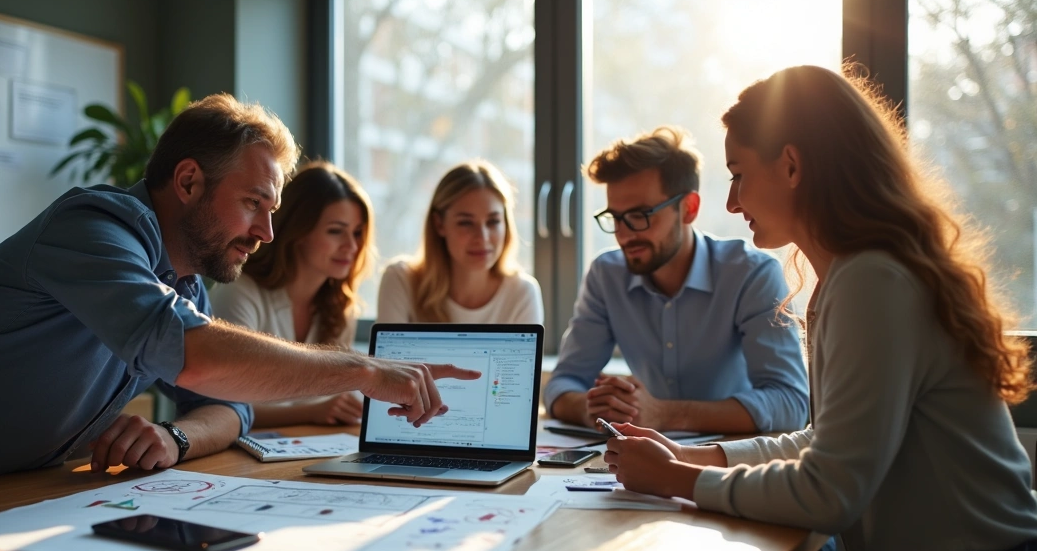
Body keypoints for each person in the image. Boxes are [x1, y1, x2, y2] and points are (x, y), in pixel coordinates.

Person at [0, 93, 478, 504]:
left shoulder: (180, 280)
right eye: (253, 204)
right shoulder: (93, 229)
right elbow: (193, 358)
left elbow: (229, 406)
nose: (267, 232)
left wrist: (172, 434)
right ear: (188, 182)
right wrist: (364, 369)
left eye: (272, 210)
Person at [603, 65, 1037, 551]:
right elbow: (826, 440)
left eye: (738, 174)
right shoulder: (851, 276)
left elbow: (830, 492)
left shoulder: (873, 281)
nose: (732, 203)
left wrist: (674, 479)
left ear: (791, 164)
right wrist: (690, 454)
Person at [545, 126, 808, 434]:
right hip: (639, 459)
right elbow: (562, 383)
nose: (625, 234)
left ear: (689, 208)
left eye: (641, 215)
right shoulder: (606, 275)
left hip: (729, 464)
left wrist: (663, 414)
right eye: (615, 218)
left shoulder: (751, 274)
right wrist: (598, 408)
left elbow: (791, 403)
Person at [211, 161, 373, 428]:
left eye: (357, 233)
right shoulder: (241, 292)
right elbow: (220, 404)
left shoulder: (340, 309)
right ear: (298, 231)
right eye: (336, 231)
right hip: (235, 454)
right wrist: (311, 412)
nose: (352, 246)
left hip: (302, 453)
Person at [376, 160, 543, 325]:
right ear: (439, 224)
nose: (482, 237)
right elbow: (384, 353)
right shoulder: (401, 280)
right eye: (466, 223)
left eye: (493, 222)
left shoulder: (522, 292)